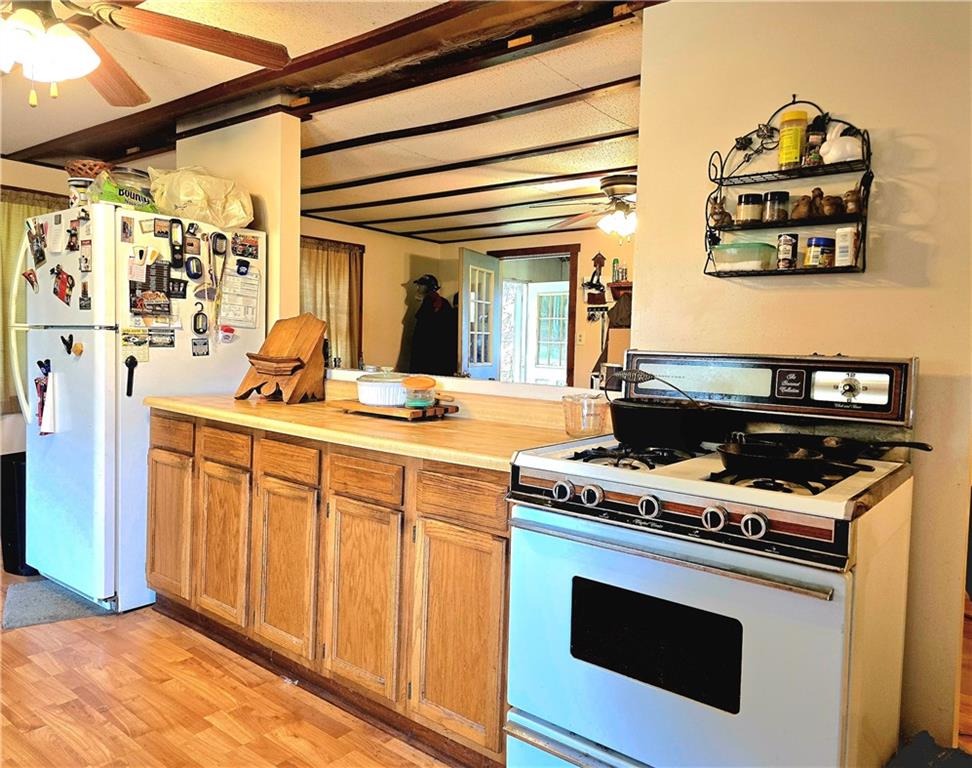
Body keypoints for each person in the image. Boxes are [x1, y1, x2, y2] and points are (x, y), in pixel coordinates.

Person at [409, 274, 457, 375]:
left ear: (427, 287)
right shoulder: (443, 302)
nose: (417, 288)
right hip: (440, 356)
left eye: (420, 286)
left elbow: (423, 331)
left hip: (429, 356)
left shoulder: (431, 302)